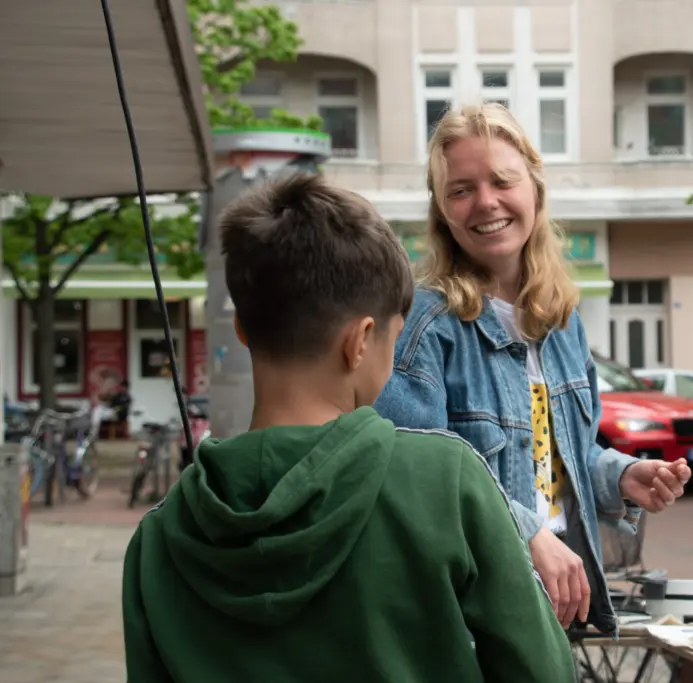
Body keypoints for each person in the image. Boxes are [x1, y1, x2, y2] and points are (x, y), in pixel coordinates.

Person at [121, 173, 576, 683]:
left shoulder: (158, 537)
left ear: (244, 332)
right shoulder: (445, 480)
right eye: (394, 340)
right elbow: (543, 670)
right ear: (360, 341)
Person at [373, 103, 692, 636]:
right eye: (461, 189)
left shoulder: (561, 321)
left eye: (502, 180)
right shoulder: (426, 325)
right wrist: (525, 532)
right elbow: (417, 476)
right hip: (472, 610)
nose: (485, 202)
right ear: (442, 211)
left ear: (536, 190)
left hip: (558, 597)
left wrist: (622, 476)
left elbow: (561, 454)